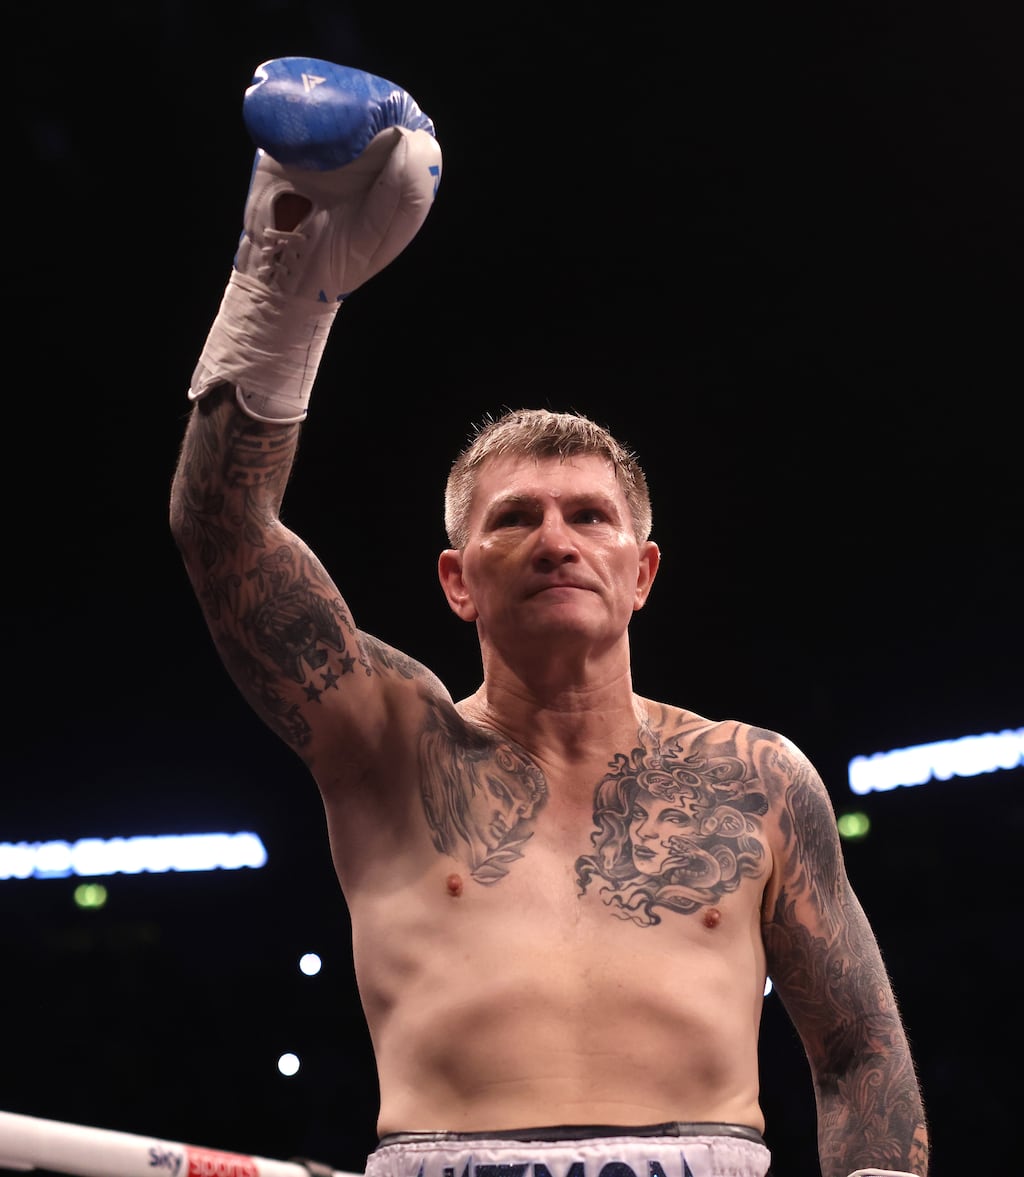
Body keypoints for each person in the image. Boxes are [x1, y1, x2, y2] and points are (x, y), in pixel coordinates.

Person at [169, 56, 929, 1177]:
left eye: (589, 516)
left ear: (642, 572)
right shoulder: (392, 745)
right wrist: (283, 283)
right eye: (514, 518)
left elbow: (860, 1052)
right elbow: (221, 532)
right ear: (456, 579)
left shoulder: (758, 780)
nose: (555, 538)